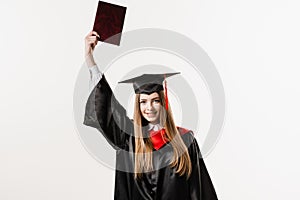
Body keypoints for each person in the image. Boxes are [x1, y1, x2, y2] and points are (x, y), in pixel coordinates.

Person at [83, 31, 218, 200]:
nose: (149, 108)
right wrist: (90, 59)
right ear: (138, 106)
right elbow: (107, 110)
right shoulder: (129, 138)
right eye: (143, 102)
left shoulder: (185, 140)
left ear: (164, 103)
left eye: (155, 101)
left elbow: (199, 190)